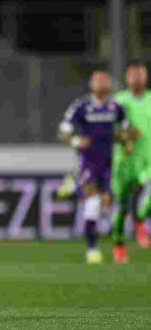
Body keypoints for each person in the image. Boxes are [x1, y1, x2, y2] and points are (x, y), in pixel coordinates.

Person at [58, 70, 129, 264]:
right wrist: (77, 141)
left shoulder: (116, 107)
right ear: (91, 84)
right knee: (92, 203)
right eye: (97, 80)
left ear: (109, 84)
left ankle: (73, 186)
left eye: (104, 79)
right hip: (88, 161)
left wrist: (126, 140)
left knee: (106, 207)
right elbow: (64, 132)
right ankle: (92, 249)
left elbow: (124, 131)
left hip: (109, 163)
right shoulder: (82, 107)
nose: (101, 83)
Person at [111, 63, 151, 263]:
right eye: (133, 76)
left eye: (140, 75)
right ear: (128, 79)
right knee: (122, 206)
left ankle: (141, 221)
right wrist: (126, 137)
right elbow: (110, 131)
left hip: (148, 159)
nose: (137, 79)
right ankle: (118, 244)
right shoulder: (119, 101)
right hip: (125, 161)